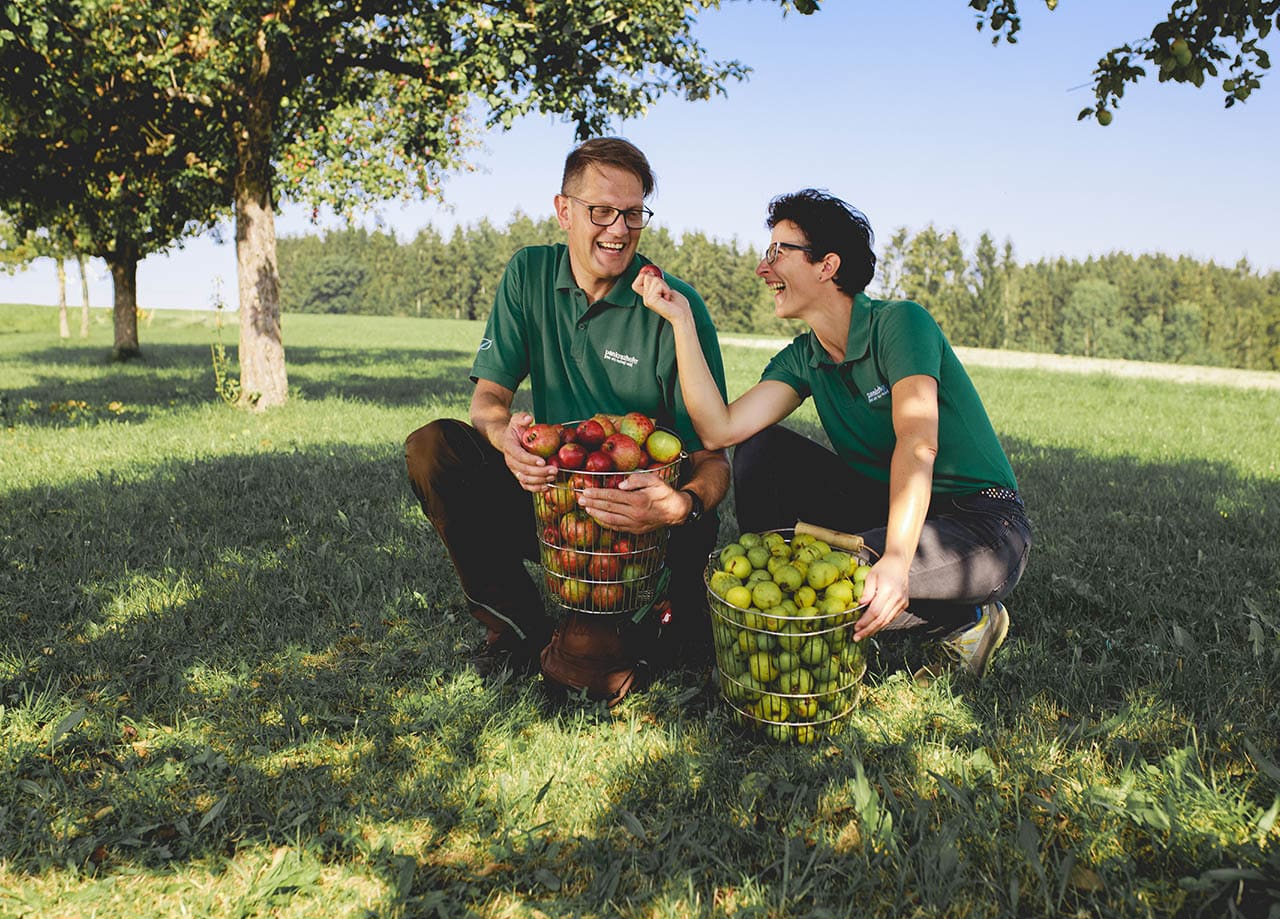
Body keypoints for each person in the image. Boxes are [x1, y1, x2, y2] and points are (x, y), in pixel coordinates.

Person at [632, 188, 1031, 678]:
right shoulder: (805, 356)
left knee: (835, 580)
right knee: (762, 449)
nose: (764, 268)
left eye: (779, 252)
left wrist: (897, 558)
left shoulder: (899, 323)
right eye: (767, 252)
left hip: (981, 523)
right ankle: (793, 601)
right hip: (888, 509)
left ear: (827, 265)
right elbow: (719, 430)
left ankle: (962, 617)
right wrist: (681, 321)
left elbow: (918, 440)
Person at [405, 137, 731, 677]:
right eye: (601, 211)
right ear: (564, 211)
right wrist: (503, 437)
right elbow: (488, 400)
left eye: (632, 214)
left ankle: (636, 625)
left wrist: (680, 506)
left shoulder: (675, 305)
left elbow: (715, 458)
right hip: (553, 501)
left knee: (587, 676)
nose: (619, 229)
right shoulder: (528, 275)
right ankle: (516, 627)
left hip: (637, 522)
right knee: (433, 448)